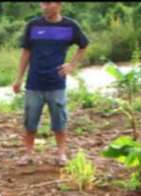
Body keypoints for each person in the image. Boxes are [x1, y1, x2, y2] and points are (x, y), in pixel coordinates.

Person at [12, 2, 89, 166]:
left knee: (59, 120)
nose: (45, 6)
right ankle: (28, 154)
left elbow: (83, 45)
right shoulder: (33, 25)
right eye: (42, 3)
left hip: (57, 83)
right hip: (34, 83)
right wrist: (19, 78)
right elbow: (26, 52)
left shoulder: (70, 26)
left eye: (48, 3)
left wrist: (72, 65)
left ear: (59, 4)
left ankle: (61, 154)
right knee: (30, 120)